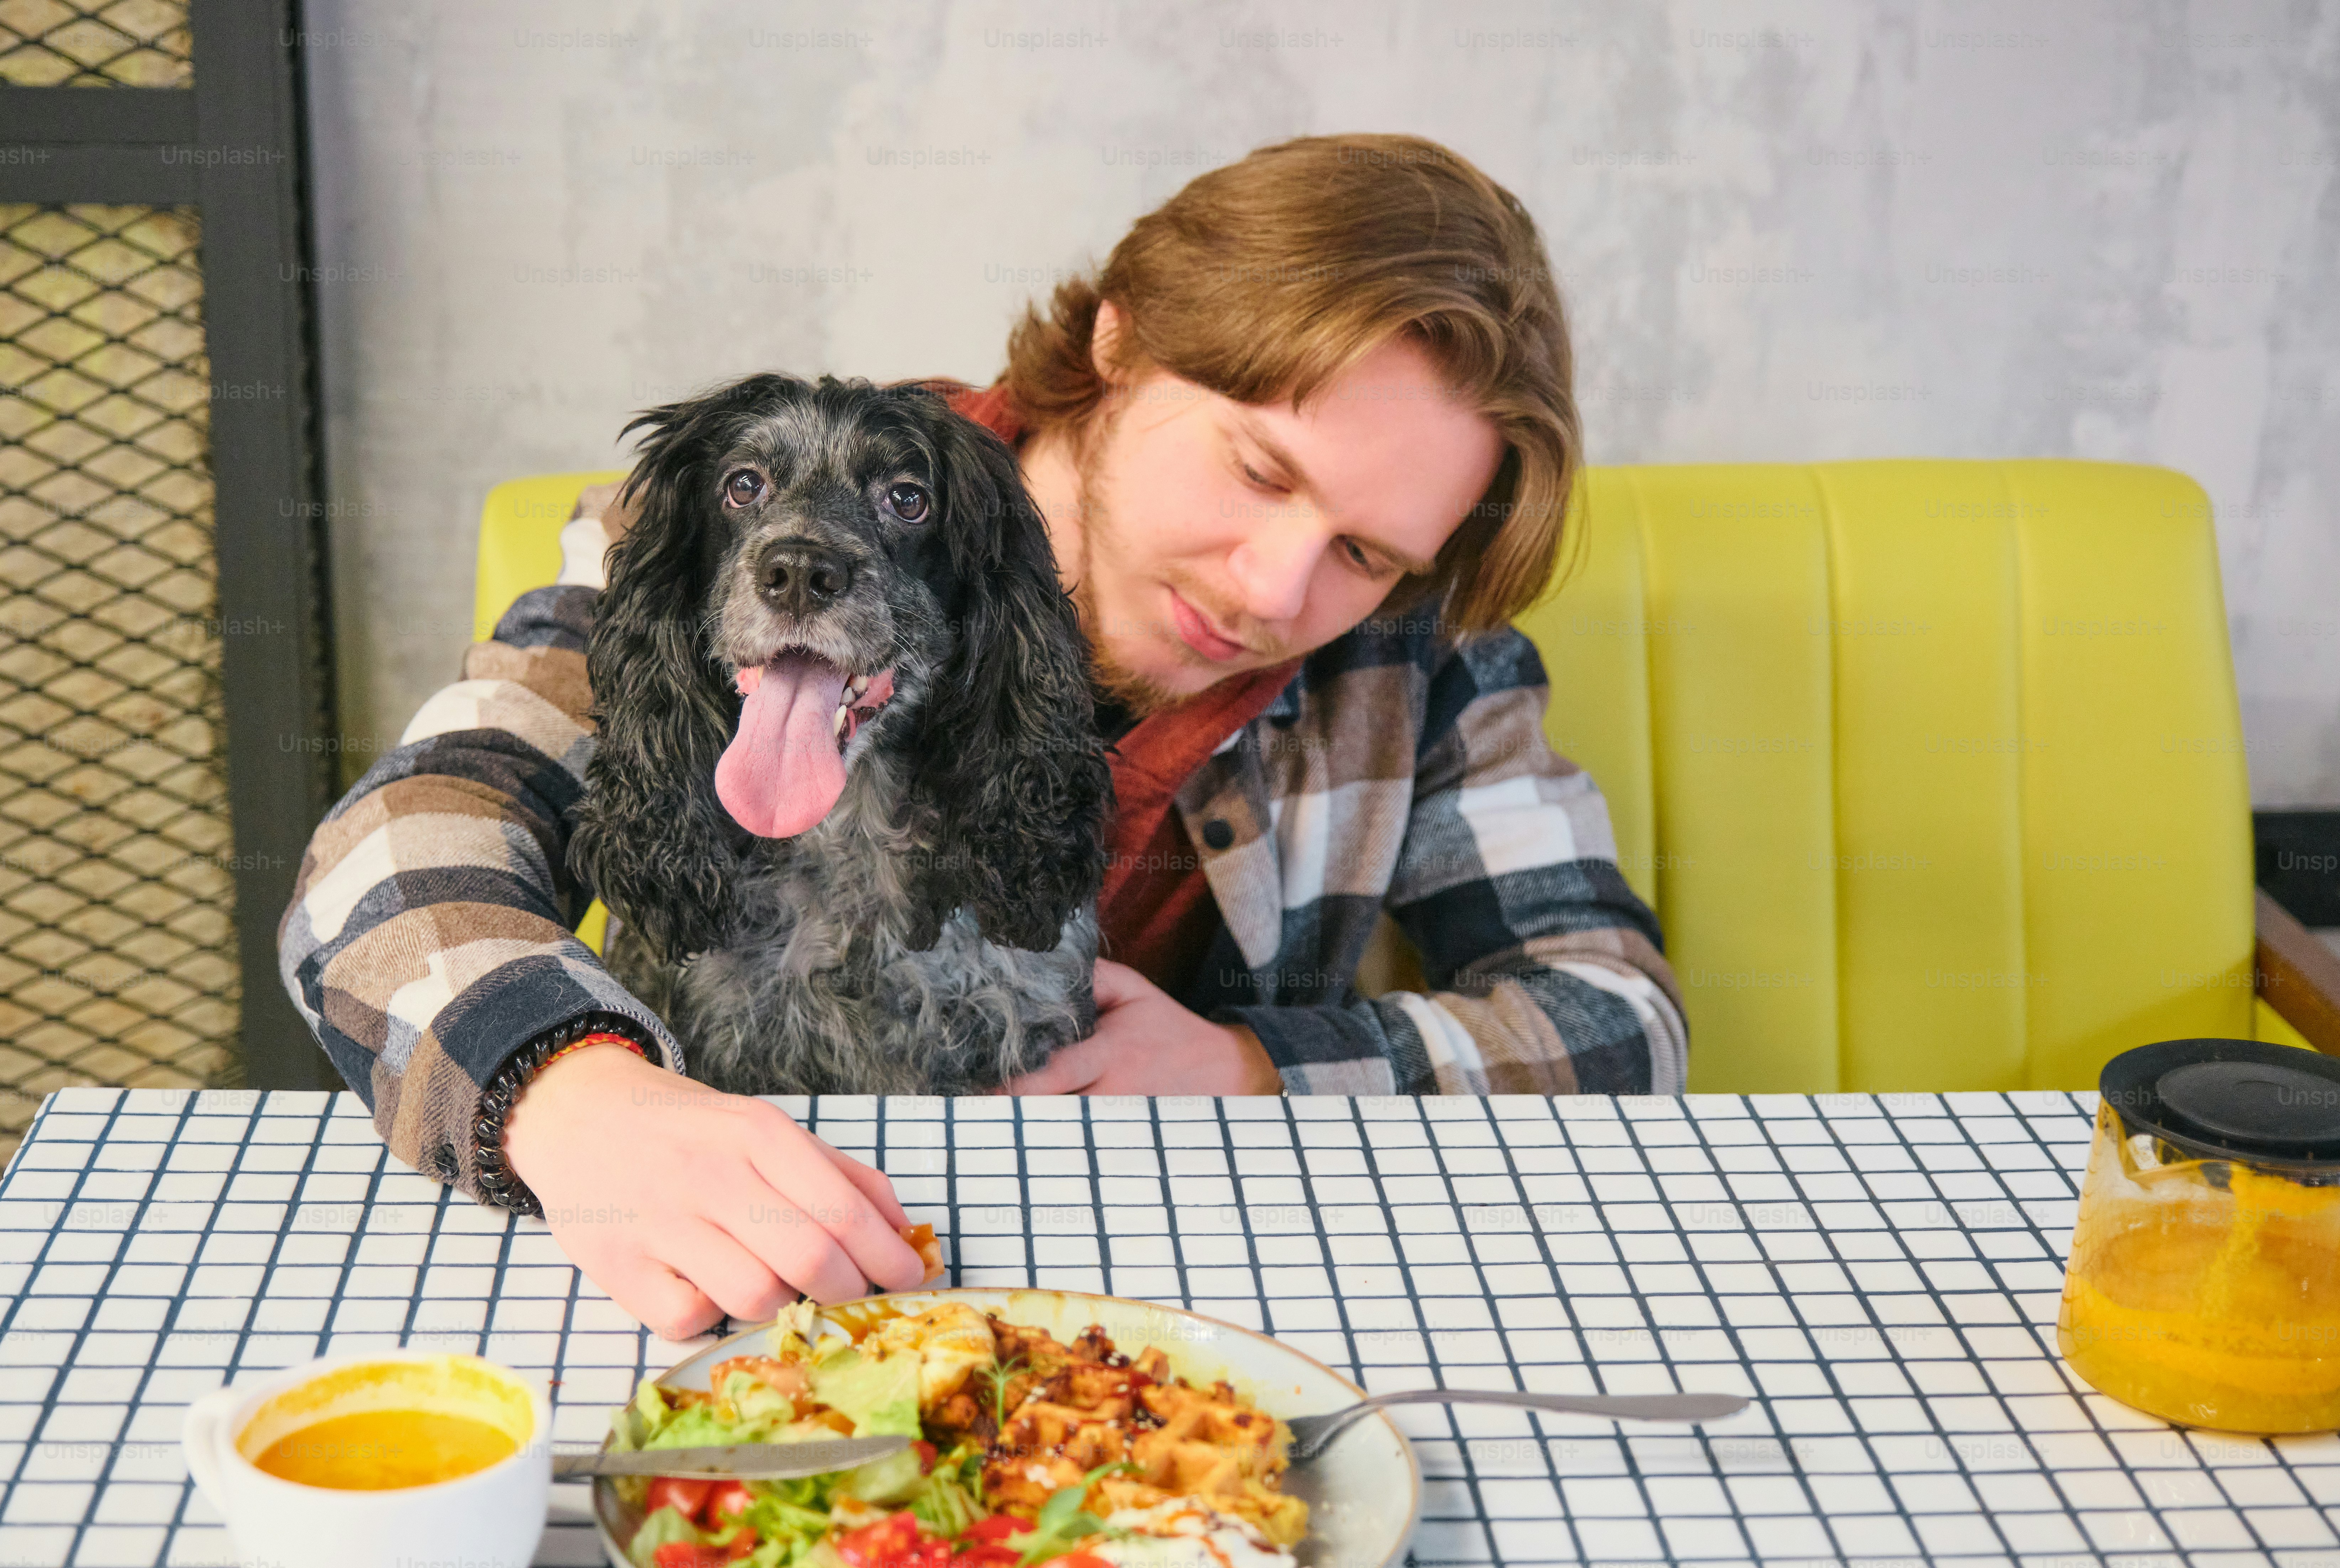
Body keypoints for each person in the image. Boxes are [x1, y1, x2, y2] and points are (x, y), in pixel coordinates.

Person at [280, 132, 1686, 1341]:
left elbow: (1617, 1016)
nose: (1277, 591)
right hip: (727, 1279)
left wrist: (1257, 1068)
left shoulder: (1420, 660)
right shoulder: (757, 531)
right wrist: (572, 1097)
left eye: (1366, 551)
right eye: (1259, 468)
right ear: (1119, 341)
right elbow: (385, 863)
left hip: (1178, 1297)